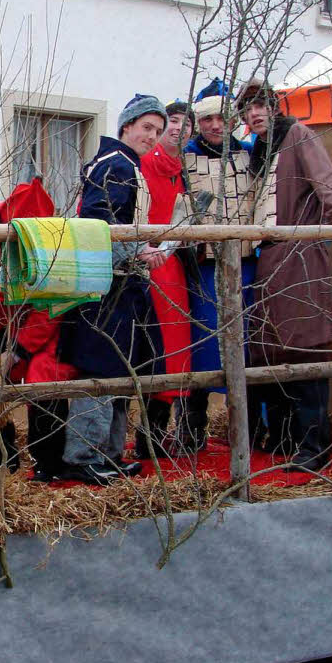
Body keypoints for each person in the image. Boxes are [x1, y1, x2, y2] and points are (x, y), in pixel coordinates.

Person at [236, 79, 332, 471]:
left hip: (300, 258)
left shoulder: (298, 134)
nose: (254, 114)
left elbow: (325, 180)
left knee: (307, 350)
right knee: (277, 353)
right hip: (269, 261)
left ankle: (313, 449)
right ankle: (289, 441)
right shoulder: (257, 151)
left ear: (274, 107)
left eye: (260, 106)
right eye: (247, 110)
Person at [56, 94, 168, 485]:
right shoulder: (117, 165)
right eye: (146, 127)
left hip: (122, 285)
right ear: (126, 126)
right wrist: (139, 252)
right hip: (109, 288)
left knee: (122, 371)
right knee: (102, 372)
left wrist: (139, 253)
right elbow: (99, 224)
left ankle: (109, 453)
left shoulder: (122, 165)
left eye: (158, 131)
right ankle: (84, 455)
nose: (152, 136)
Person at [0, 177, 79, 482]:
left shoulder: (56, 243)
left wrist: (16, 353)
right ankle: (1, 455)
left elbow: (50, 312)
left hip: (50, 317)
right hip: (5, 308)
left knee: (42, 376)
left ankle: (48, 463)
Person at [179, 79, 257, 455]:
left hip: (244, 263)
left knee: (247, 343)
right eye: (207, 118)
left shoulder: (249, 157)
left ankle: (250, 430)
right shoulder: (185, 159)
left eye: (221, 118)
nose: (214, 125)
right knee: (201, 345)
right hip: (202, 266)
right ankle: (192, 432)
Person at [136, 100, 195, 459]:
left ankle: (156, 434)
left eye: (185, 123)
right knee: (150, 348)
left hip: (172, 266)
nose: (177, 128)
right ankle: (143, 436)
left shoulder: (186, 170)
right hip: (144, 263)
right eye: (171, 121)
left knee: (174, 351)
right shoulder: (144, 163)